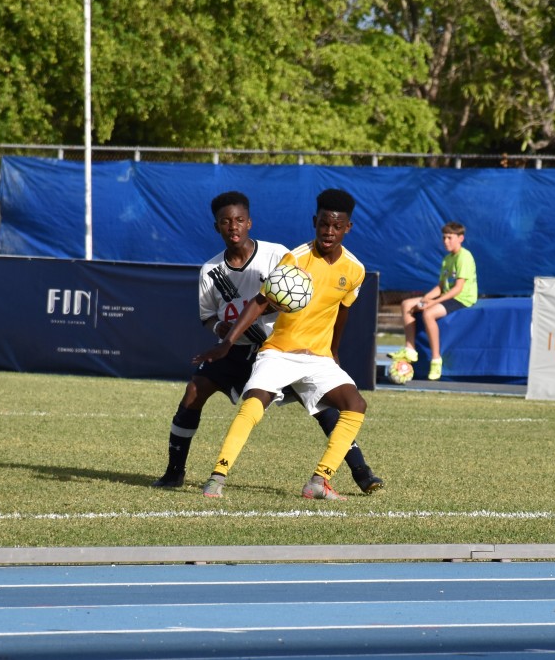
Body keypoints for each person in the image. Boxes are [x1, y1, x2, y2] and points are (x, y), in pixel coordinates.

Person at [153, 190, 383, 494]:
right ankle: (178, 472)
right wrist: (225, 332)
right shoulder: (211, 270)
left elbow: (324, 304)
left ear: (250, 223)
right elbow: (212, 315)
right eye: (226, 222)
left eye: (238, 220)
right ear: (217, 227)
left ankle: (358, 471)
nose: (233, 226)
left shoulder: (279, 255)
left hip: (284, 345)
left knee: (331, 405)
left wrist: (331, 350)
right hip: (246, 350)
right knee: (196, 390)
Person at [387, 221, 478, 380]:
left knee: (428, 313)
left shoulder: (465, 257)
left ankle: (436, 360)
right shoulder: (447, 259)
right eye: (444, 238)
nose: (445, 241)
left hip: (463, 298)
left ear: (460, 238)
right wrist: (425, 298)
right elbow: (441, 286)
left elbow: (457, 289)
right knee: (407, 304)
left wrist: (432, 303)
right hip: (448, 294)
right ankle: (410, 349)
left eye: (450, 238)